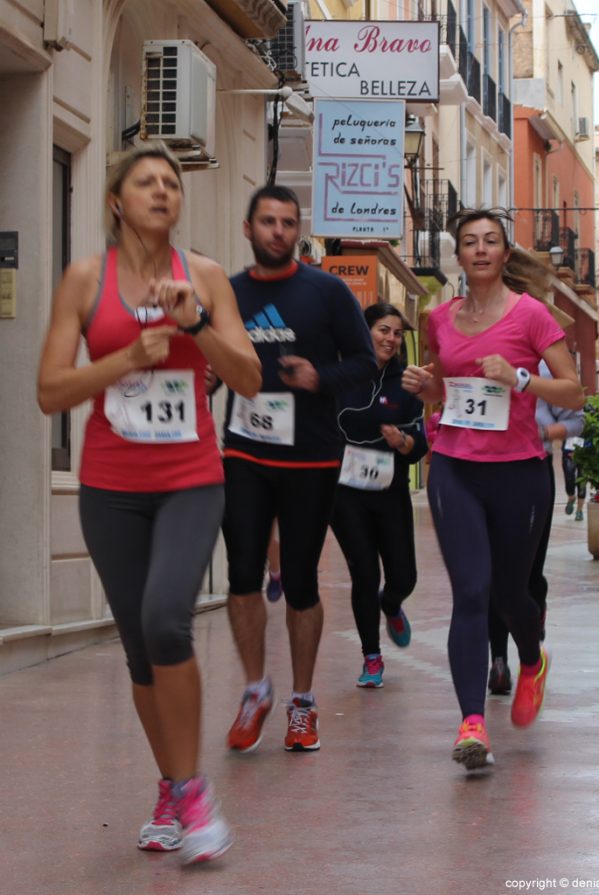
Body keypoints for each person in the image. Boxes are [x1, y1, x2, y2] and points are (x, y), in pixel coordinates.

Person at [37, 143, 261, 864]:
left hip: (191, 476)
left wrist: (197, 324)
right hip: (109, 485)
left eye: (172, 183)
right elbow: (50, 392)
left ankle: (195, 794)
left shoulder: (206, 278)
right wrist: (124, 360)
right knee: (140, 646)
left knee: (169, 619)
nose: (163, 191)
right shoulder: (83, 279)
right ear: (115, 200)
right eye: (146, 181)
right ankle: (170, 785)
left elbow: (250, 380)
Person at [402, 208, 584, 770]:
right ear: (457, 255)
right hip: (455, 466)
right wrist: (425, 386)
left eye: (491, 241)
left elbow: (574, 393)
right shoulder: (438, 317)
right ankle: (472, 723)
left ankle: (531, 659)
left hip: (518, 471)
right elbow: (440, 389)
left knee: (511, 593)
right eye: (469, 242)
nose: (480, 250)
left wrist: (520, 378)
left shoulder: (532, 316)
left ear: (505, 254)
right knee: (471, 592)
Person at [221, 184, 376, 753]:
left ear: (297, 231)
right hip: (243, 449)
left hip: (311, 454)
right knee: (241, 572)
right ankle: (256, 688)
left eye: (288, 222)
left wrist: (319, 379)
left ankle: (303, 702)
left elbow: (364, 364)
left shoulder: (328, 291)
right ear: (248, 228)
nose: (278, 231)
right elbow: (210, 362)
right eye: (267, 221)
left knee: (303, 581)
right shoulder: (228, 293)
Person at [330, 303, 427, 688]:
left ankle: (392, 604)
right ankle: (372, 657)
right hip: (344, 492)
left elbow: (420, 444)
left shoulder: (406, 381)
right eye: (383, 330)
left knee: (404, 575)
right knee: (364, 573)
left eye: (397, 333)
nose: (390, 338)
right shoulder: (341, 371)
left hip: (390, 489)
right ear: (364, 330)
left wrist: (402, 441)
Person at [487, 360, 585, 695]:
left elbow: (576, 420)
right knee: (492, 575)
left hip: (531, 473)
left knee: (525, 577)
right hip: (482, 473)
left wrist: (541, 433)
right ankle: (498, 661)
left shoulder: (543, 363)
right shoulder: (471, 351)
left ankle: (536, 606)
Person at [562, 433, 587, 521]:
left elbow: (592, 439)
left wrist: (581, 451)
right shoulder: (568, 421)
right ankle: (571, 497)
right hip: (568, 455)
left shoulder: (588, 422)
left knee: (582, 485)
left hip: (584, 456)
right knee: (569, 480)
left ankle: (579, 511)